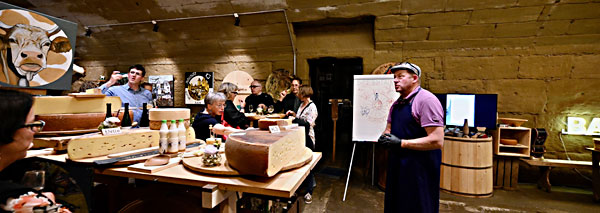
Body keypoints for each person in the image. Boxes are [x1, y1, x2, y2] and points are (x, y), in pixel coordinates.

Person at [377, 62, 444, 213]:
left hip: (420, 167)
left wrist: (401, 143)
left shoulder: (426, 101)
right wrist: (384, 137)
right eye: (394, 77)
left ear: (414, 78)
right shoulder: (397, 104)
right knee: (397, 204)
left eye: (401, 76)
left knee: (418, 205)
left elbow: (437, 140)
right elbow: (388, 129)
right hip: (398, 165)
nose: (395, 80)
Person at [0, 89, 70, 213]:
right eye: (31, 125)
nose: (36, 131)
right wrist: (46, 202)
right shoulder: (20, 201)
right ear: (7, 129)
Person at [286, 86, 318, 204]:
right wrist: (294, 114)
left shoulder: (312, 107)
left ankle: (309, 191)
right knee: (298, 163)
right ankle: (297, 188)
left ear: (304, 94)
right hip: (299, 137)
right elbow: (300, 117)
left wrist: (294, 119)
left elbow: (308, 124)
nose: (298, 94)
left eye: (300, 93)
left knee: (307, 164)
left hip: (308, 137)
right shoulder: (301, 105)